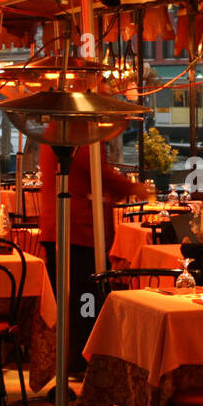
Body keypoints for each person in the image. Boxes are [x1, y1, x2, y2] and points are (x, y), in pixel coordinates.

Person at [40, 143, 153, 372]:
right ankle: (82, 355)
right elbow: (100, 174)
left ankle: (70, 353)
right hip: (78, 229)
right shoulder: (82, 136)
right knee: (86, 298)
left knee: (69, 296)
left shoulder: (54, 133)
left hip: (57, 226)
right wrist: (133, 188)